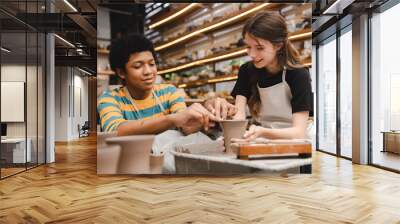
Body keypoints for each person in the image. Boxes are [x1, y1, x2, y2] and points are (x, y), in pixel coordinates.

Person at [207, 11, 313, 141]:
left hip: (295, 141)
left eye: (259, 48)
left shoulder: (298, 74)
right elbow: (239, 115)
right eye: (248, 47)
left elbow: (299, 132)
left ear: (278, 46)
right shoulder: (247, 71)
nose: (251, 54)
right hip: (263, 138)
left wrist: (262, 132)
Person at [97, 34, 222, 136]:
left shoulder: (168, 92)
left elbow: (185, 125)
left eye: (152, 64)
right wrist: (171, 119)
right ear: (121, 72)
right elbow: (115, 131)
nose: (148, 72)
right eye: (138, 66)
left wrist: (206, 116)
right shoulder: (110, 99)